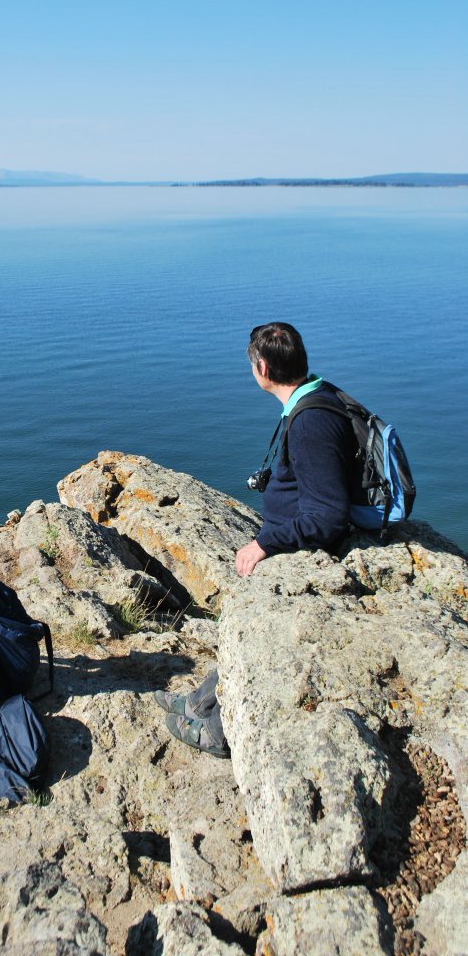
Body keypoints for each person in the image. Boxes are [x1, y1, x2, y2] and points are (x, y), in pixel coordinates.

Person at [156, 322, 355, 757]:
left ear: (262, 368)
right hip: (289, 541)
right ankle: (200, 701)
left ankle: (217, 731)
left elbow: (328, 515)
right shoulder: (314, 397)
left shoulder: (311, 423)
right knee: (236, 626)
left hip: (299, 555)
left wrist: (266, 544)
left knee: (253, 633)